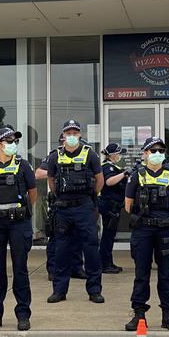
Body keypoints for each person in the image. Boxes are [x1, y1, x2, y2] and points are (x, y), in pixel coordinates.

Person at [0, 127, 37, 331]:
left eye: (15, 140)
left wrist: (21, 212)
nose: (13, 143)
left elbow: (33, 193)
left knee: (20, 269)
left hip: (18, 223)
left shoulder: (23, 165)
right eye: (9, 139)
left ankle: (23, 314)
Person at [124, 137, 169, 332]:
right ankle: (139, 315)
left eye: (160, 150)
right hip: (143, 230)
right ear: (145, 153)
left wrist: (167, 219)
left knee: (166, 274)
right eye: (153, 150)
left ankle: (168, 315)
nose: (157, 154)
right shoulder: (136, 175)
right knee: (142, 273)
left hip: (165, 229)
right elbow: (128, 204)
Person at [45, 120, 105, 304]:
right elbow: (51, 180)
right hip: (63, 208)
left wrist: (89, 197)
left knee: (91, 248)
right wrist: (61, 197)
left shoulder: (90, 155)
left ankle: (94, 290)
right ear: (63, 135)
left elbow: (99, 179)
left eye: (75, 132)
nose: (71, 136)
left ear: (79, 134)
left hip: (84, 207)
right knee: (61, 250)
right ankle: (59, 291)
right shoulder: (55, 156)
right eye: (68, 132)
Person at [36, 133, 86, 281]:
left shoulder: (83, 154)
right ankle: (53, 270)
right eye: (67, 137)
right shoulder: (54, 156)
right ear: (62, 142)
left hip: (78, 202)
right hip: (59, 202)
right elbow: (38, 174)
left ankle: (76, 268)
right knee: (57, 239)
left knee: (77, 237)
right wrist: (57, 172)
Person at [99, 143, 129, 274]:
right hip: (109, 205)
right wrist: (123, 174)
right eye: (118, 153)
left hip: (113, 205)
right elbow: (109, 181)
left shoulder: (112, 167)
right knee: (108, 235)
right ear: (113, 155)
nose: (120, 156)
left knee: (110, 235)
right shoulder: (107, 167)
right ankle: (104, 264)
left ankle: (108, 262)